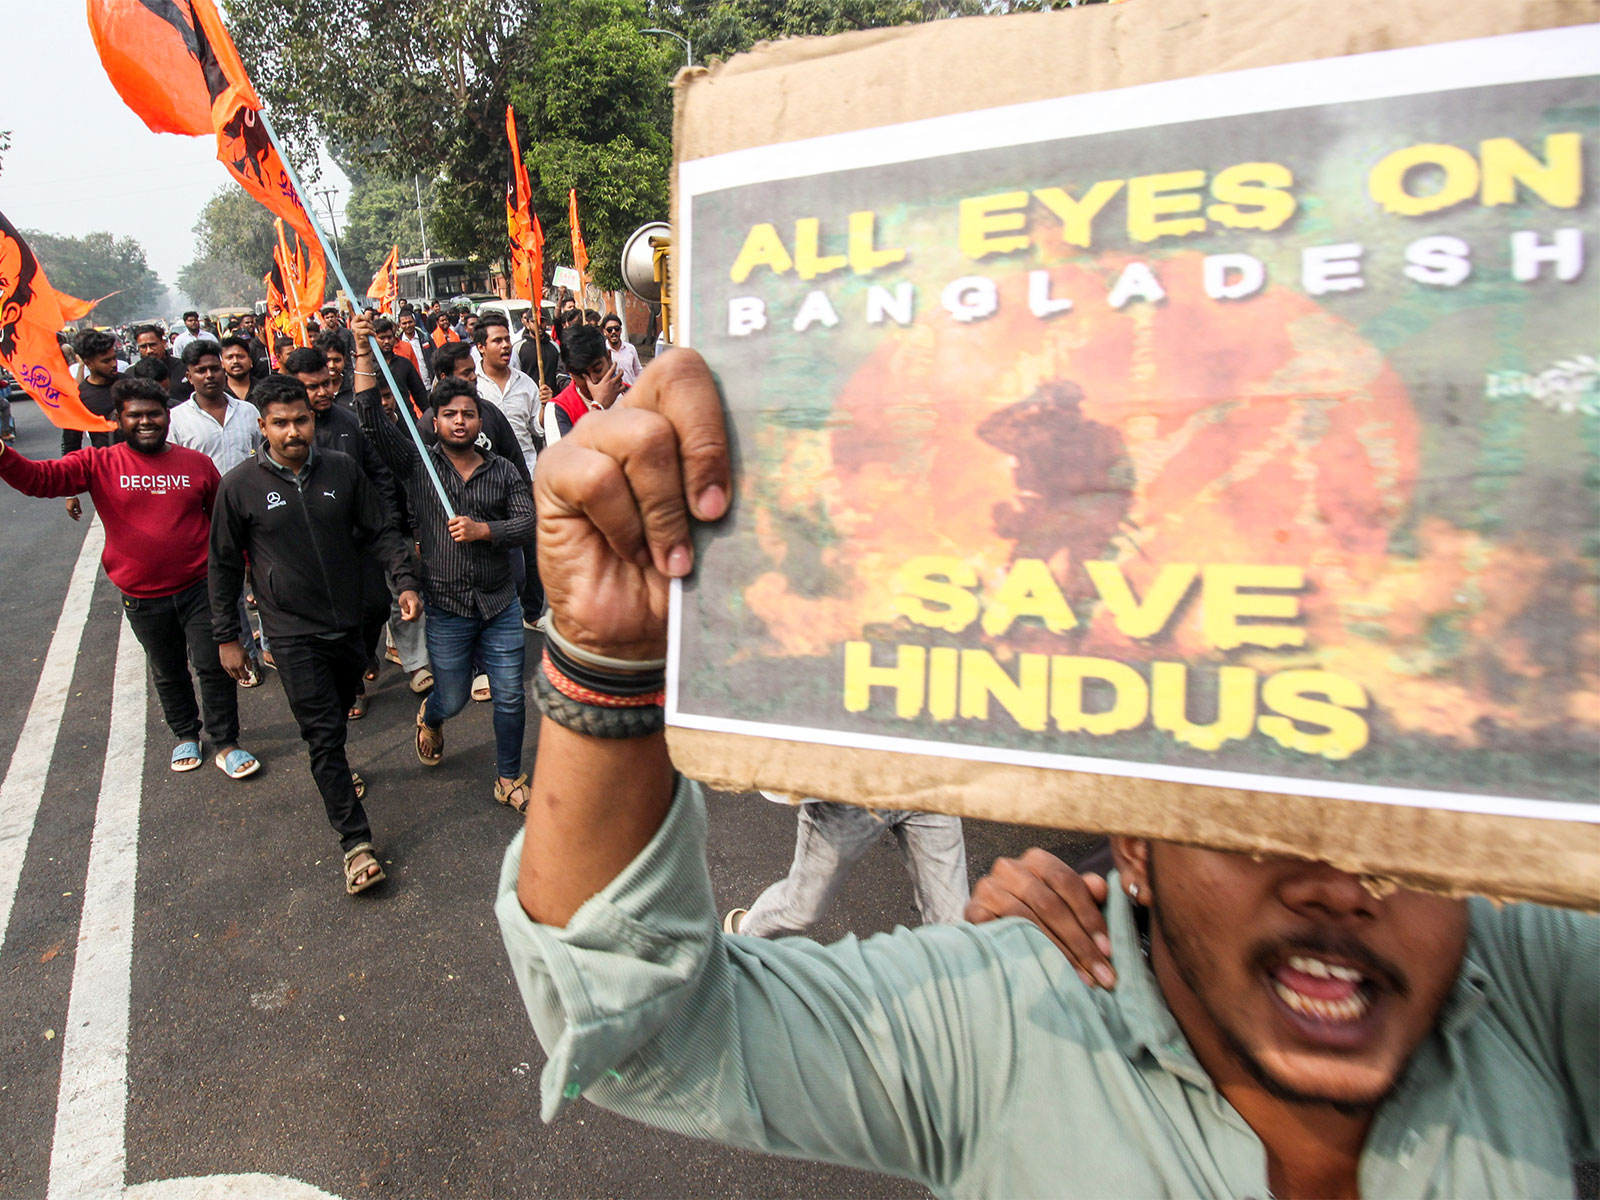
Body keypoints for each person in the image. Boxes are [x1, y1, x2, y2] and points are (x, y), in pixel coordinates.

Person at [495, 350, 1599, 1199]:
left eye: (1401, 830)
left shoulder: (1532, 996)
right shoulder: (1008, 1028)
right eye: (1257, 821)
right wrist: (607, 662)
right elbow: (637, 1039)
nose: (1340, 885)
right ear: (1133, 842)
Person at [209, 375, 420, 895]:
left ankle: (340, 761)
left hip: (351, 626)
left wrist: (405, 580)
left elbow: (380, 530)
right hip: (292, 633)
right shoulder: (239, 487)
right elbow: (220, 565)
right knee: (322, 735)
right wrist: (227, 636)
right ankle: (356, 844)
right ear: (262, 426)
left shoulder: (342, 470)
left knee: (342, 708)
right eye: (280, 423)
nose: (292, 431)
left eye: (301, 419)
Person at [0, 377, 260, 779]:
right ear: (118, 420)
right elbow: (39, 480)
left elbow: (223, 527)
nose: (145, 422)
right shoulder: (98, 463)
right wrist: (3, 453)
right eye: (134, 415)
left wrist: (245, 568)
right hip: (141, 597)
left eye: (153, 414)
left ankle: (227, 742)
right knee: (167, 668)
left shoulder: (195, 464)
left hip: (200, 588)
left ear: (165, 417)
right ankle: (185, 734)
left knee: (212, 665)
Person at [350, 314, 535, 812]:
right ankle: (431, 719)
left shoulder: (501, 472)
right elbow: (368, 418)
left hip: (499, 604)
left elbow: (528, 523)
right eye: (449, 414)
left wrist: (485, 531)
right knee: (451, 698)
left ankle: (509, 777)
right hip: (449, 609)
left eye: (469, 414)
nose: (460, 421)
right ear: (435, 421)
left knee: (511, 697)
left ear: (480, 420)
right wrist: (363, 354)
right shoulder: (418, 465)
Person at [282, 345, 402, 720]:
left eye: (327, 384)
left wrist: (388, 520)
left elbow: (379, 473)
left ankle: (366, 655)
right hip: (311, 549)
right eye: (311, 387)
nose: (322, 393)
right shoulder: (284, 434)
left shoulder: (349, 422)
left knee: (377, 606)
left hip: (361, 538)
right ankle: (351, 687)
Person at [720, 795, 969, 937]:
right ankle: (744, 933)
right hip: (847, 802)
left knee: (956, 925)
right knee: (802, 907)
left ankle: (951, 1014)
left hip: (927, 788)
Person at [167, 340, 267, 685]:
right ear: (189, 376)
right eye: (201, 370)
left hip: (256, 513)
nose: (210, 375)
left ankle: (271, 645)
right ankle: (247, 657)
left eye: (214, 368)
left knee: (267, 581)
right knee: (228, 589)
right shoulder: (176, 420)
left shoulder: (247, 411)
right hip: (207, 519)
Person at [536, 322, 625, 448]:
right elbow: (567, 463)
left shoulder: (630, 394)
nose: (593, 381)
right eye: (582, 376)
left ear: (609, 359)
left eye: (598, 369)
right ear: (570, 374)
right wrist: (598, 408)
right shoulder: (558, 410)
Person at [64, 328, 120, 455]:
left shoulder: (131, 384)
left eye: (114, 358)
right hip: (106, 464)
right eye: (106, 361)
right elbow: (71, 443)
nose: (113, 364)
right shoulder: (79, 397)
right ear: (89, 363)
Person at [370, 315, 430, 417]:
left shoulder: (404, 364)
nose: (386, 341)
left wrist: (430, 418)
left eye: (389, 337)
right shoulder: (368, 367)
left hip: (406, 418)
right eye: (382, 338)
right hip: (379, 419)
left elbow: (420, 395)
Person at [134, 324, 192, 401]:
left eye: (153, 345)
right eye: (143, 347)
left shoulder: (185, 367)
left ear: (163, 343)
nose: (149, 351)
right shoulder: (131, 374)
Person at [517, 308, 562, 395]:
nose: (538, 324)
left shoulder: (555, 347)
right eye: (534, 321)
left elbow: (560, 374)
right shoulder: (519, 348)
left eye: (542, 321)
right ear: (527, 324)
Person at [395, 310, 434, 388]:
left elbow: (435, 357)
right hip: (410, 389)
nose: (408, 325)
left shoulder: (425, 338)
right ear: (399, 325)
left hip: (429, 385)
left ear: (415, 322)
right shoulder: (397, 344)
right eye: (404, 323)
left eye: (410, 322)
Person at [600, 314, 643, 385]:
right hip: (612, 395)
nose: (613, 332)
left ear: (621, 330)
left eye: (616, 328)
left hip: (630, 393)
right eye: (609, 330)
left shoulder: (630, 349)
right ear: (604, 332)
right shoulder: (602, 351)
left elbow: (638, 372)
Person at [217, 335, 258, 401]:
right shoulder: (218, 392)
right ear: (222, 363)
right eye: (230, 357)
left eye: (240, 356)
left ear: (250, 361)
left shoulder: (263, 389)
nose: (235, 361)